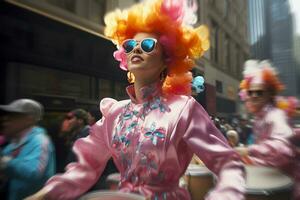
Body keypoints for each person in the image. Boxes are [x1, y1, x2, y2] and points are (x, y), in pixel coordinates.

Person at [26, 0, 245, 199]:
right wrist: (44, 196)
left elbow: (227, 163)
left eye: (148, 44)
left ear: (166, 60)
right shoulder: (114, 113)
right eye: (129, 45)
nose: (136, 48)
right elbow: (84, 169)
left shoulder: (184, 109)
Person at [237, 60, 298, 199]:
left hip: (285, 184)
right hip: (271, 174)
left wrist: (249, 150)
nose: (253, 95)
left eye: (259, 92)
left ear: (270, 94)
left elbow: (282, 149)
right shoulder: (259, 118)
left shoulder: (276, 115)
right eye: (250, 92)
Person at [0, 99, 55, 200]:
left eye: (14, 116)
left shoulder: (40, 141)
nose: (7, 120)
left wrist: (5, 162)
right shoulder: (12, 144)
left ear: (29, 119)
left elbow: (35, 172)